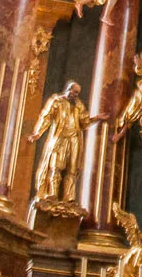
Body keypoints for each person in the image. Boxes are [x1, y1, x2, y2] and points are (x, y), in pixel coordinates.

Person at [30, 81, 104, 209]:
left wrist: (96, 118)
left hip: (74, 140)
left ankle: (68, 197)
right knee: (56, 166)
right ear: (68, 89)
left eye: (77, 93)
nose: (75, 95)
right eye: (74, 92)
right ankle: (52, 193)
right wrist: (37, 133)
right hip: (60, 138)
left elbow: (84, 122)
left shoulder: (78, 105)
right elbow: (46, 117)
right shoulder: (57, 102)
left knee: (72, 169)